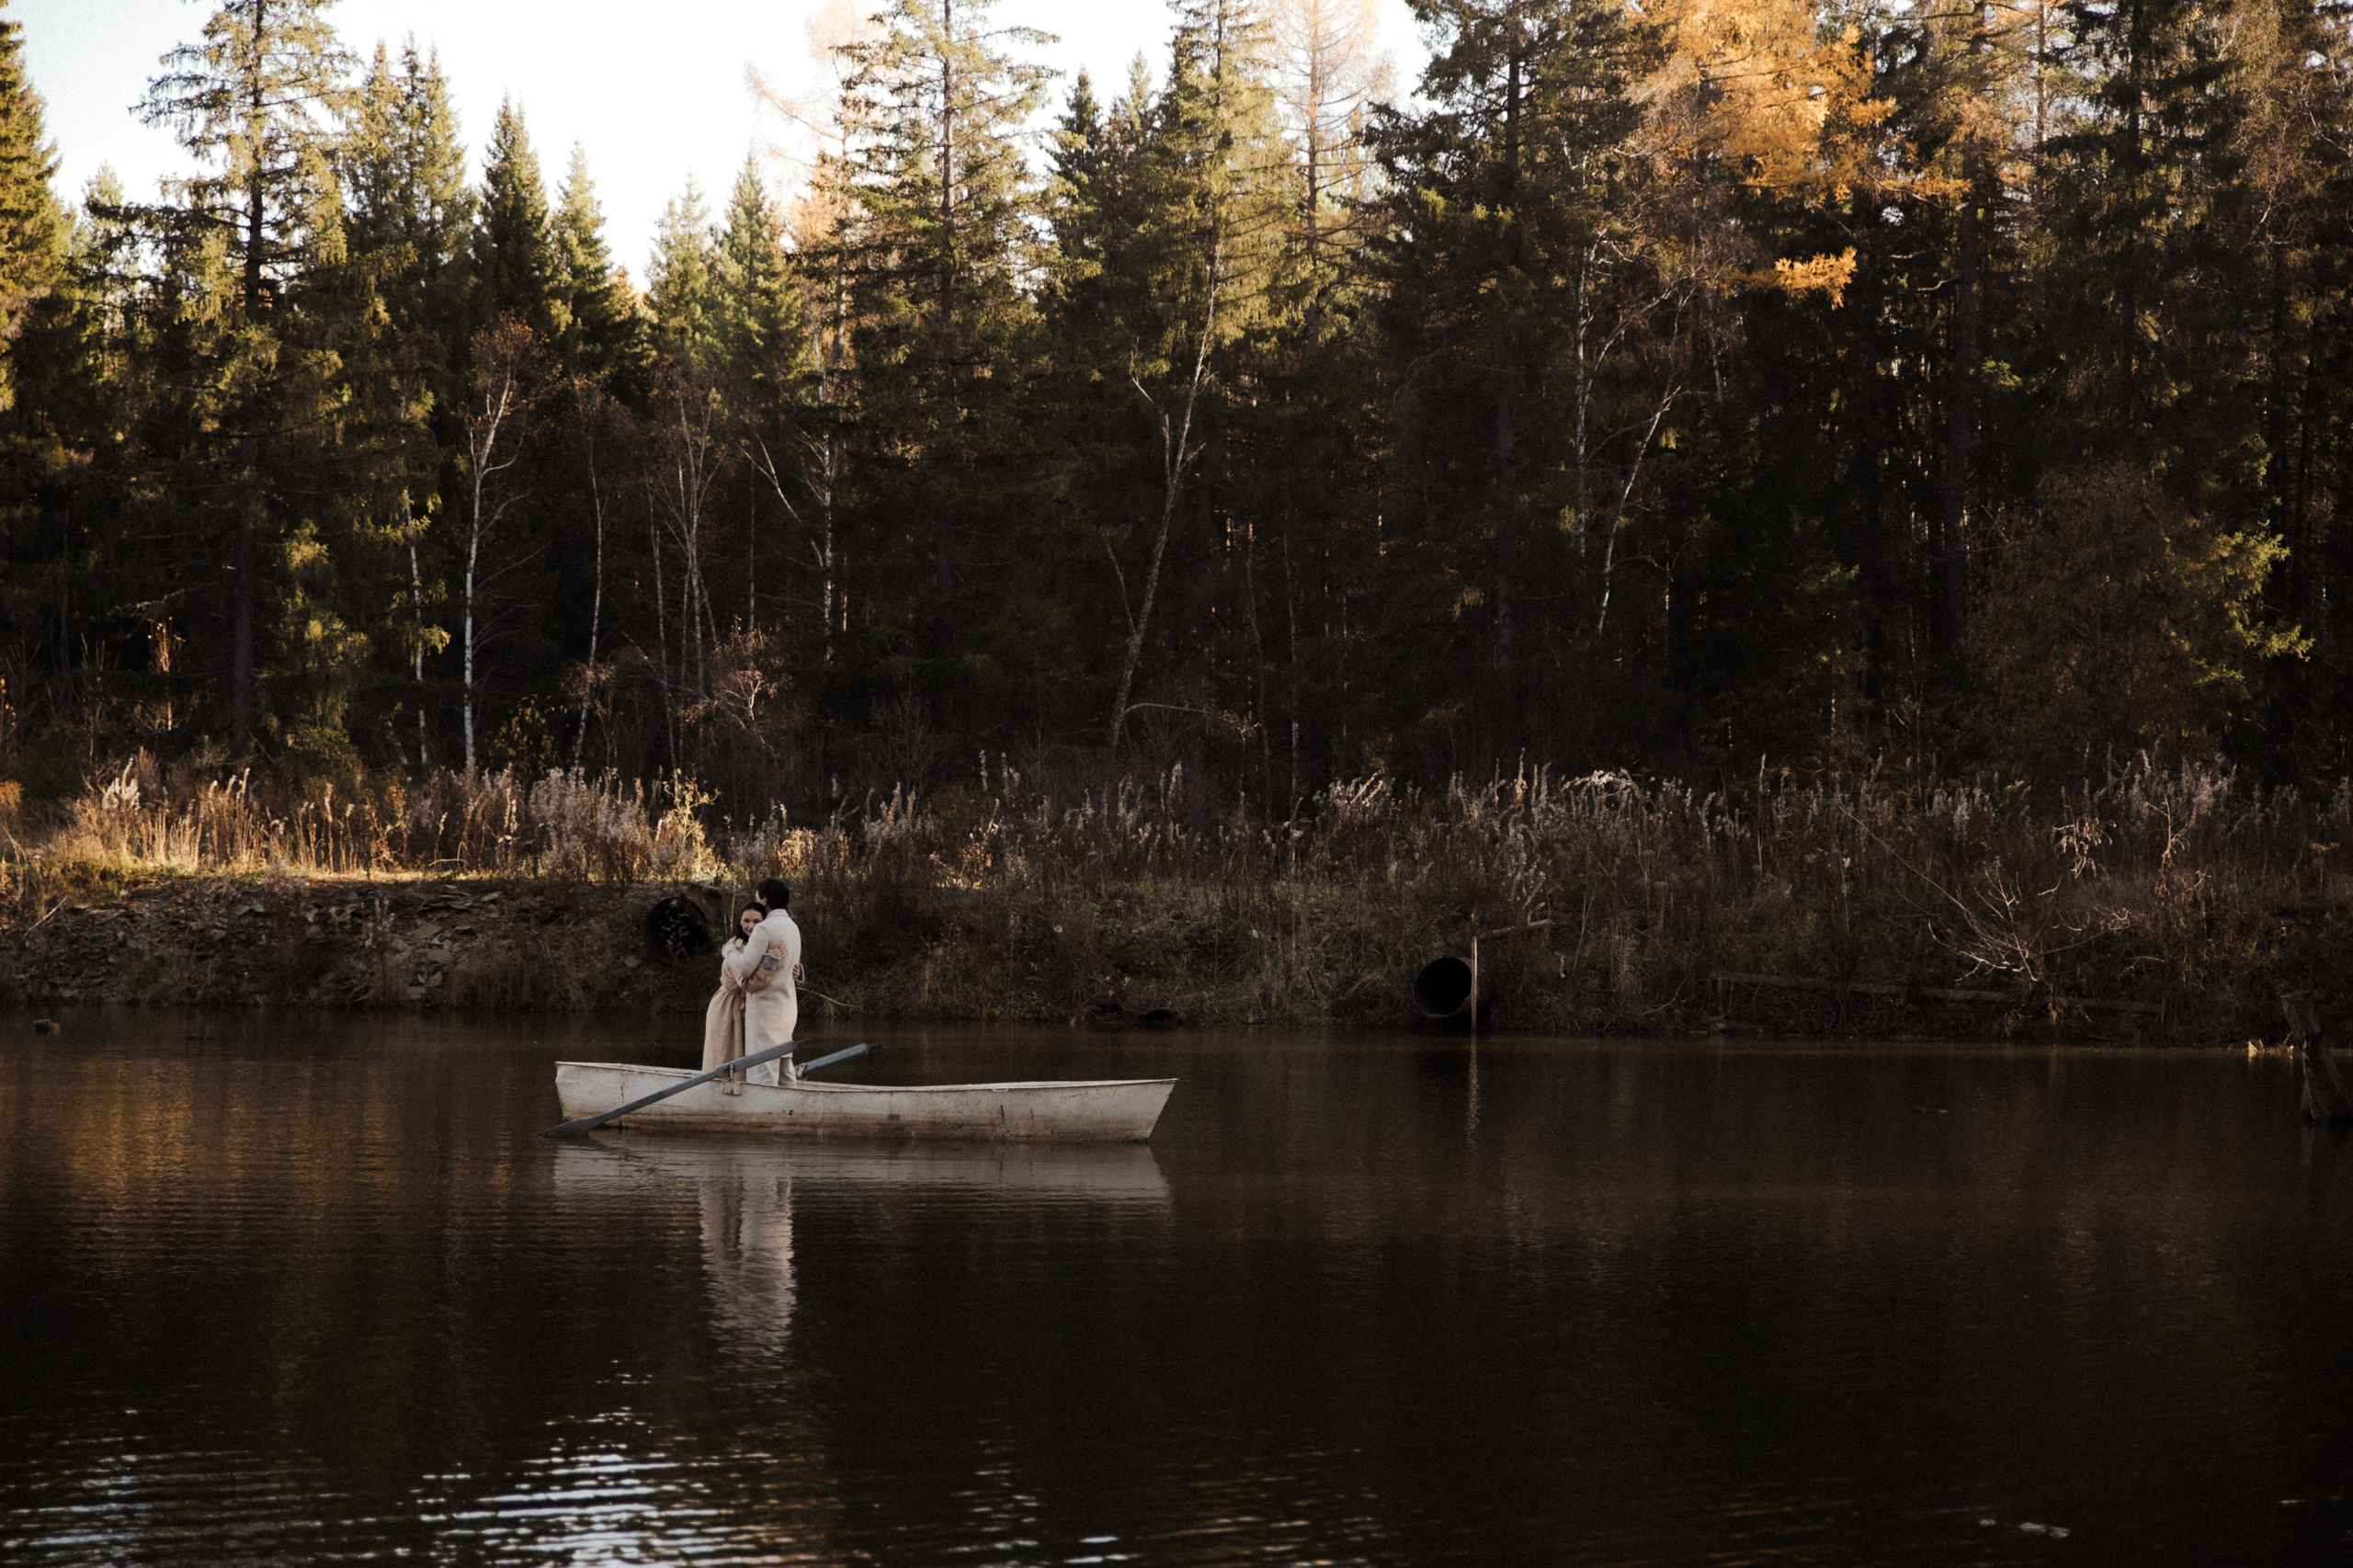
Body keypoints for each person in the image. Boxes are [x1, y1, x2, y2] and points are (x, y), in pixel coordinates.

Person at [725, 878, 802, 1084]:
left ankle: (763, 1104)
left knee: (762, 1071)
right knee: (785, 1069)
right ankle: (790, 1102)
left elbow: (744, 968)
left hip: (765, 1012)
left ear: (765, 900)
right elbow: (793, 968)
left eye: (757, 897)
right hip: (787, 1009)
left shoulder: (765, 928)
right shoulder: (792, 926)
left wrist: (729, 950)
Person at [700, 903, 765, 1076]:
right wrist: (770, 966)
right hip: (728, 1004)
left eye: (756, 921)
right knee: (724, 1052)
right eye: (746, 921)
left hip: (746, 1003)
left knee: (743, 1053)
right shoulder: (736, 947)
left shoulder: (759, 945)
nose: (751, 926)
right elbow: (746, 983)